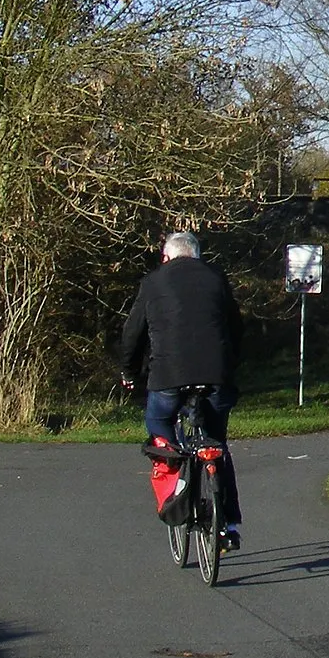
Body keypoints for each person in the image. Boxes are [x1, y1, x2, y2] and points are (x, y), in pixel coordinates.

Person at [118, 231, 245, 549]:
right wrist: (232, 365)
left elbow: (133, 333)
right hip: (217, 375)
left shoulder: (154, 281)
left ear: (166, 257)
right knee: (219, 443)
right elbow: (236, 327)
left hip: (168, 376)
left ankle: (176, 480)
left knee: (158, 423)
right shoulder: (217, 277)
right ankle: (227, 523)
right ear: (198, 256)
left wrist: (129, 372)